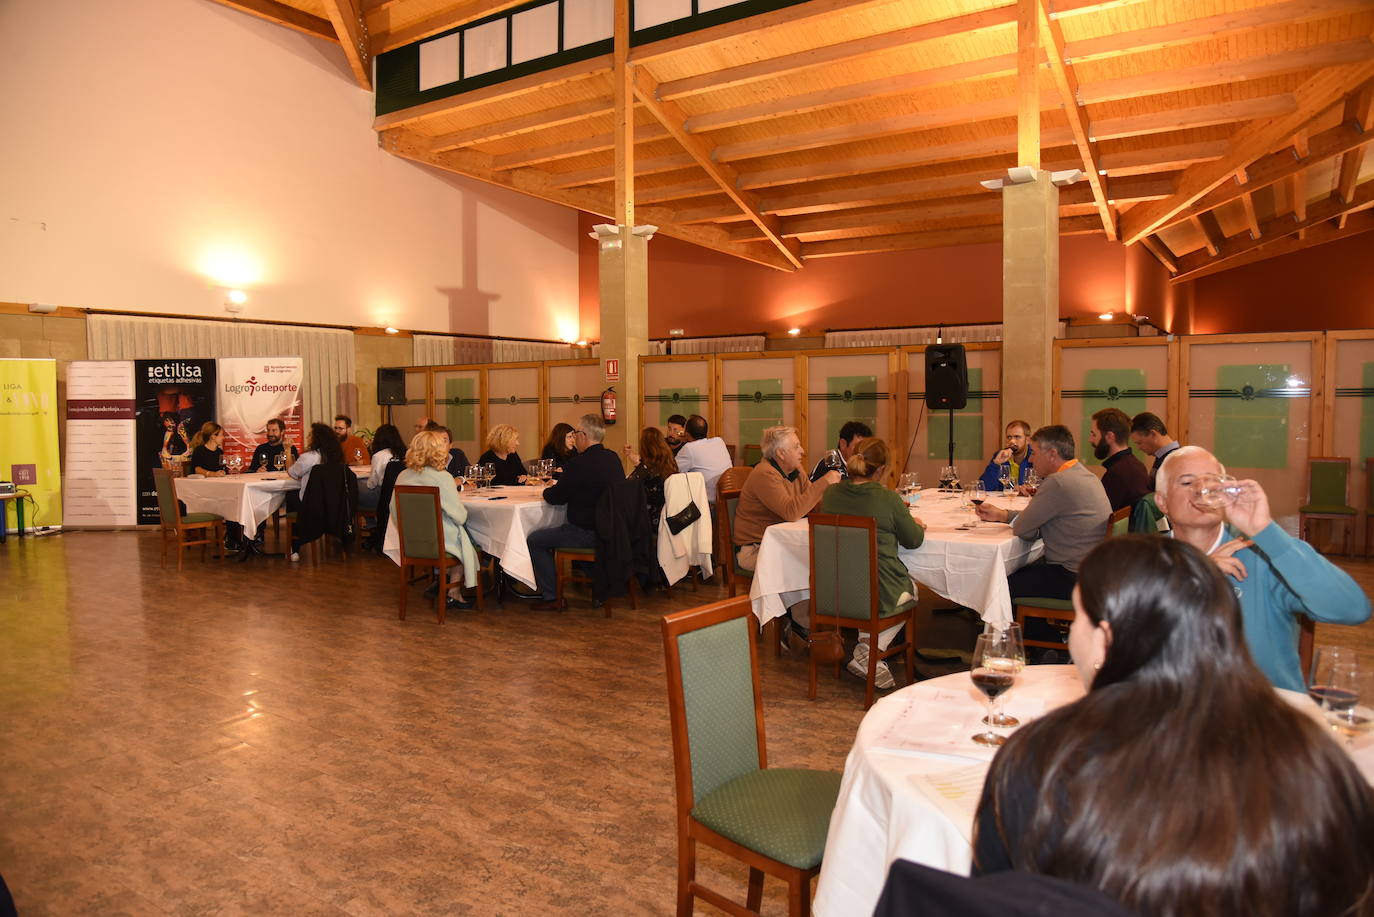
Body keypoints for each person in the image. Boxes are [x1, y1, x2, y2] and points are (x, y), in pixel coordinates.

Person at [973, 536, 1374, 916]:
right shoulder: (1316, 753)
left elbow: (997, 898)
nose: (1073, 630)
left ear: (1105, 638)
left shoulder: (1044, 758)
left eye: (1078, 616)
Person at [1154, 445, 1371, 691]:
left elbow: (1352, 608)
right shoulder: (1146, 563)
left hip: (1264, 715)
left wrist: (1264, 530)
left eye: (1212, 481)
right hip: (1176, 713)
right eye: (1186, 482)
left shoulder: (1264, 557)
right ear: (1162, 501)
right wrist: (1197, 575)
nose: (1202, 490)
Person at [819, 438, 924, 690]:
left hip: (834, 589)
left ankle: (867, 650)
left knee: (881, 587)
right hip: (878, 591)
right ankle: (869, 649)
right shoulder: (888, 499)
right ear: (880, 469)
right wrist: (917, 524)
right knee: (913, 590)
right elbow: (913, 540)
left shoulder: (831, 494)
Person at [976, 425, 1110, 610]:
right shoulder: (1085, 474)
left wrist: (1030, 526)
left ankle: (1021, 636)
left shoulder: (1057, 482)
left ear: (1052, 454)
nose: (1031, 458)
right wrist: (1005, 515)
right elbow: (1042, 519)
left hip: (1071, 576)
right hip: (1094, 571)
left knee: (996, 583)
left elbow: (1023, 529)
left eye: (1035, 453)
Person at [734, 425, 841, 637]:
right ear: (781, 453)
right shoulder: (765, 474)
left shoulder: (795, 470)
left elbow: (811, 503)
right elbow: (791, 512)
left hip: (780, 546)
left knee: (822, 559)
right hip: (754, 551)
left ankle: (809, 619)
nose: (802, 451)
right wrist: (824, 482)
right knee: (807, 563)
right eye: (796, 446)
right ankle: (801, 621)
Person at [526, 414, 625, 610]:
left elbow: (556, 497)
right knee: (567, 533)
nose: (575, 437)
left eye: (577, 433)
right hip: (612, 530)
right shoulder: (613, 458)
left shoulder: (580, 463)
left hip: (587, 532)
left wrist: (544, 490)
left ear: (584, 436)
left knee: (535, 540)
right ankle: (601, 585)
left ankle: (552, 597)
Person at [391, 429, 478, 609]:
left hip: (412, 542)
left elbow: (394, 511)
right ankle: (453, 592)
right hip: (440, 543)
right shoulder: (443, 478)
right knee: (467, 538)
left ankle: (443, 584)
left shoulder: (403, 476)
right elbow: (460, 516)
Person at [1087, 407, 1150, 512]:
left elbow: (1102, 516)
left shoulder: (1117, 473)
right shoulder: (1138, 465)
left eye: (1094, 434)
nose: (1090, 439)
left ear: (1109, 437)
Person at [625, 426, 679, 527]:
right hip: (669, 518)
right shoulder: (670, 464)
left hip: (650, 522)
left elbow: (627, 490)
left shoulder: (646, 471)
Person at [674, 414, 733, 503]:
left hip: (707, 505)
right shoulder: (719, 441)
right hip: (727, 500)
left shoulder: (689, 449)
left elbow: (672, 471)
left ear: (686, 432)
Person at [287, 422, 336, 506]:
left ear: (317, 439)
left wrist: (287, 449)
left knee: (288, 494)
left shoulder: (308, 457)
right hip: (331, 501)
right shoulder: (335, 457)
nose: (306, 437)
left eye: (310, 435)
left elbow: (291, 472)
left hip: (310, 503)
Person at [359, 423, 406, 511]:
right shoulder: (404, 454)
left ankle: (368, 521)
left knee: (356, 484)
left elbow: (372, 484)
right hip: (399, 494)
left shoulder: (379, 456)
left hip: (382, 495)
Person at [978, 420, 1033, 492]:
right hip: (1005, 501)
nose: (1012, 441)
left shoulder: (1035, 457)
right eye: (1009, 437)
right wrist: (996, 464)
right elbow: (983, 489)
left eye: (1017, 437)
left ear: (1027, 440)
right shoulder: (1000, 455)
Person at [1129, 411, 1180, 489]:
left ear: (1152, 434)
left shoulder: (1176, 460)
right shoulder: (1162, 457)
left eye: (1139, 443)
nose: (1138, 448)